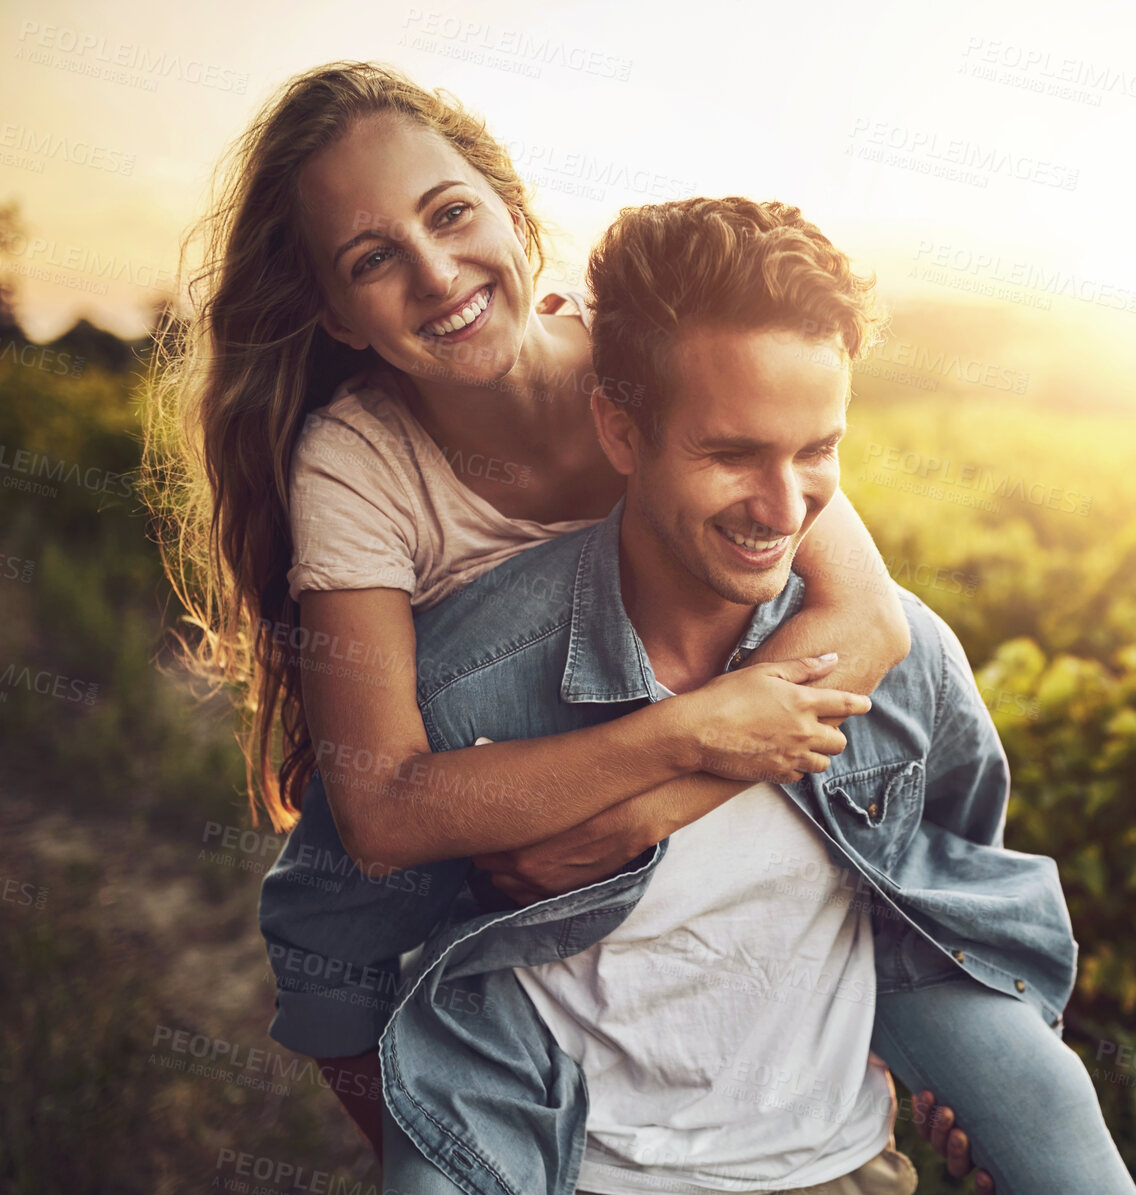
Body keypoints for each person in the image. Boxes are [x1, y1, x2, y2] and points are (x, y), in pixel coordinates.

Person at [149, 60, 996, 1185]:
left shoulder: (638, 358)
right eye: (371, 259)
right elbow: (383, 809)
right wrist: (684, 737)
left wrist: (647, 804)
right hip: (516, 865)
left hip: (694, 860)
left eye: (451, 213)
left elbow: (867, 618)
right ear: (330, 311)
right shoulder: (356, 467)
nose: (439, 272)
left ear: (510, 204)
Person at [260, 193, 1136, 1193]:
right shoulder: (468, 683)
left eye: (817, 452)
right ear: (619, 432)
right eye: (731, 455)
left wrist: (964, 1060)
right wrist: (435, 1153)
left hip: (838, 1170)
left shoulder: (896, 656)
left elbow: (948, 870)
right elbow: (328, 939)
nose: (783, 507)